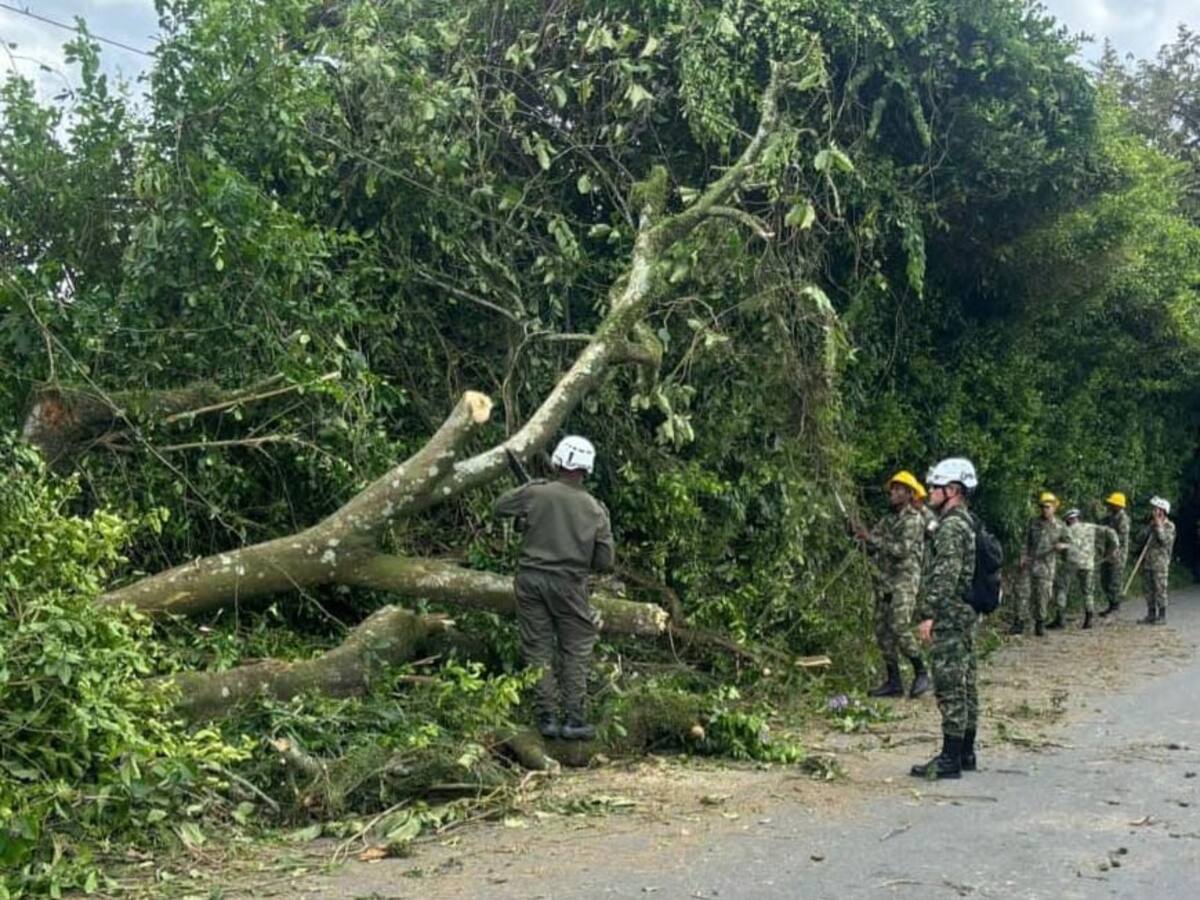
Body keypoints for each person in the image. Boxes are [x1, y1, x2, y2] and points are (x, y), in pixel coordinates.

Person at [494, 436, 614, 740]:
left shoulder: (536, 492)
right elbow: (604, 562)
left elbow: (500, 507)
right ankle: (574, 720)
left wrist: (529, 504)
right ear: (587, 469)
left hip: (530, 580)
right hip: (570, 585)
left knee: (538, 648)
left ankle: (546, 718)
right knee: (575, 650)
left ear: (558, 462)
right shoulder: (596, 510)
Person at [912, 457, 979, 780]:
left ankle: (950, 758)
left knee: (950, 685)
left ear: (952, 490)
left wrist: (929, 615)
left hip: (951, 615)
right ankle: (965, 751)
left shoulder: (952, 526)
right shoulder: (966, 521)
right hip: (964, 613)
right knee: (966, 682)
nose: (930, 491)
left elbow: (945, 576)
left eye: (935, 486)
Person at [856, 471, 931, 699]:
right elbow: (871, 544)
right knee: (882, 629)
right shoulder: (888, 519)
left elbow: (901, 550)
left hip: (905, 580)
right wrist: (857, 535)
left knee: (899, 625)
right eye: (893, 488)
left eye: (899, 489)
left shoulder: (913, 520)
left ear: (909, 494)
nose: (893, 493)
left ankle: (921, 671)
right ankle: (894, 681)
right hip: (885, 581)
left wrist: (871, 539)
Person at [1013, 492, 1066, 636]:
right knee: (1022, 593)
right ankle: (1019, 622)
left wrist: (1063, 546)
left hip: (1047, 566)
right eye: (1042, 507)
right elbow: (1025, 541)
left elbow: (1071, 543)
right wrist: (1022, 556)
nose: (1044, 510)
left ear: (1054, 507)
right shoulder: (1033, 522)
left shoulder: (1060, 525)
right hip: (1030, 563)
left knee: (1042, 596)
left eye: (1048, 507)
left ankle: (1040, 623)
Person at [1054, 509, 1111, 629]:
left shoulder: (1066, 530)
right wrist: (1115, 547)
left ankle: (1060, 619)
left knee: (1062, 588)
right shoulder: (1090, 527)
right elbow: (1109, 531)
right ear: (1078, 518)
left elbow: (1057, 545)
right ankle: (1089, 619)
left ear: (1069, 519)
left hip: (1070, 563)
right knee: (1088, 591)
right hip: (1088, 564)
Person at [1138, 496, 1176, 625]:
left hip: (1160, 564)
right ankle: (1151, 614)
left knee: (1160, 589)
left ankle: (1162, 616)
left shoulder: (1169, 526)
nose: (1154, 511)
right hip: (1148, 562)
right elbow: (1140, 538)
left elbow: (1164, 540)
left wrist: (1159, 526)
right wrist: (1150, 527)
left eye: (1156, 509)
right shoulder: (1151, 525)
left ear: (1163, 511)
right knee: (1148, 589)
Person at [1098, 492, 1131, 617]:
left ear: (1118, 505)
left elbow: (1121, 538)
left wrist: (1115, 550)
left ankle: (1115, 606)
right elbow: (1101, 524)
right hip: (1108, 553)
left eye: (1112, 504)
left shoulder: (1123, 519)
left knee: (1114, 580)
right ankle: (1111, 604)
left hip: (1118, 555)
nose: (1110, 505)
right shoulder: (1111, 517)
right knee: (1104, 579)